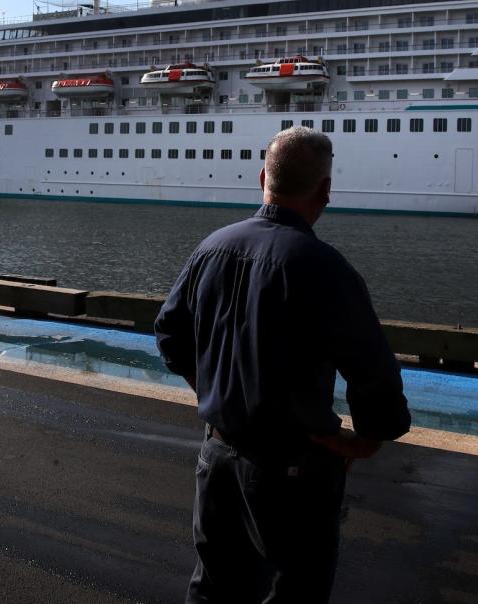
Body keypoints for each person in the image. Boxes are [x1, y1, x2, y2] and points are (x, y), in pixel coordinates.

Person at [155, 126, 411, 603]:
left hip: (216, 457)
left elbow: (170, 334)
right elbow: (373, 370)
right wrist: (369, 439)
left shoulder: (212, 247)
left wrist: (209, 389)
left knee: (214, 586)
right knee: (295, 591)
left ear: (262, 179)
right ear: (326, 190)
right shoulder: (325, 268)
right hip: (292, 469)